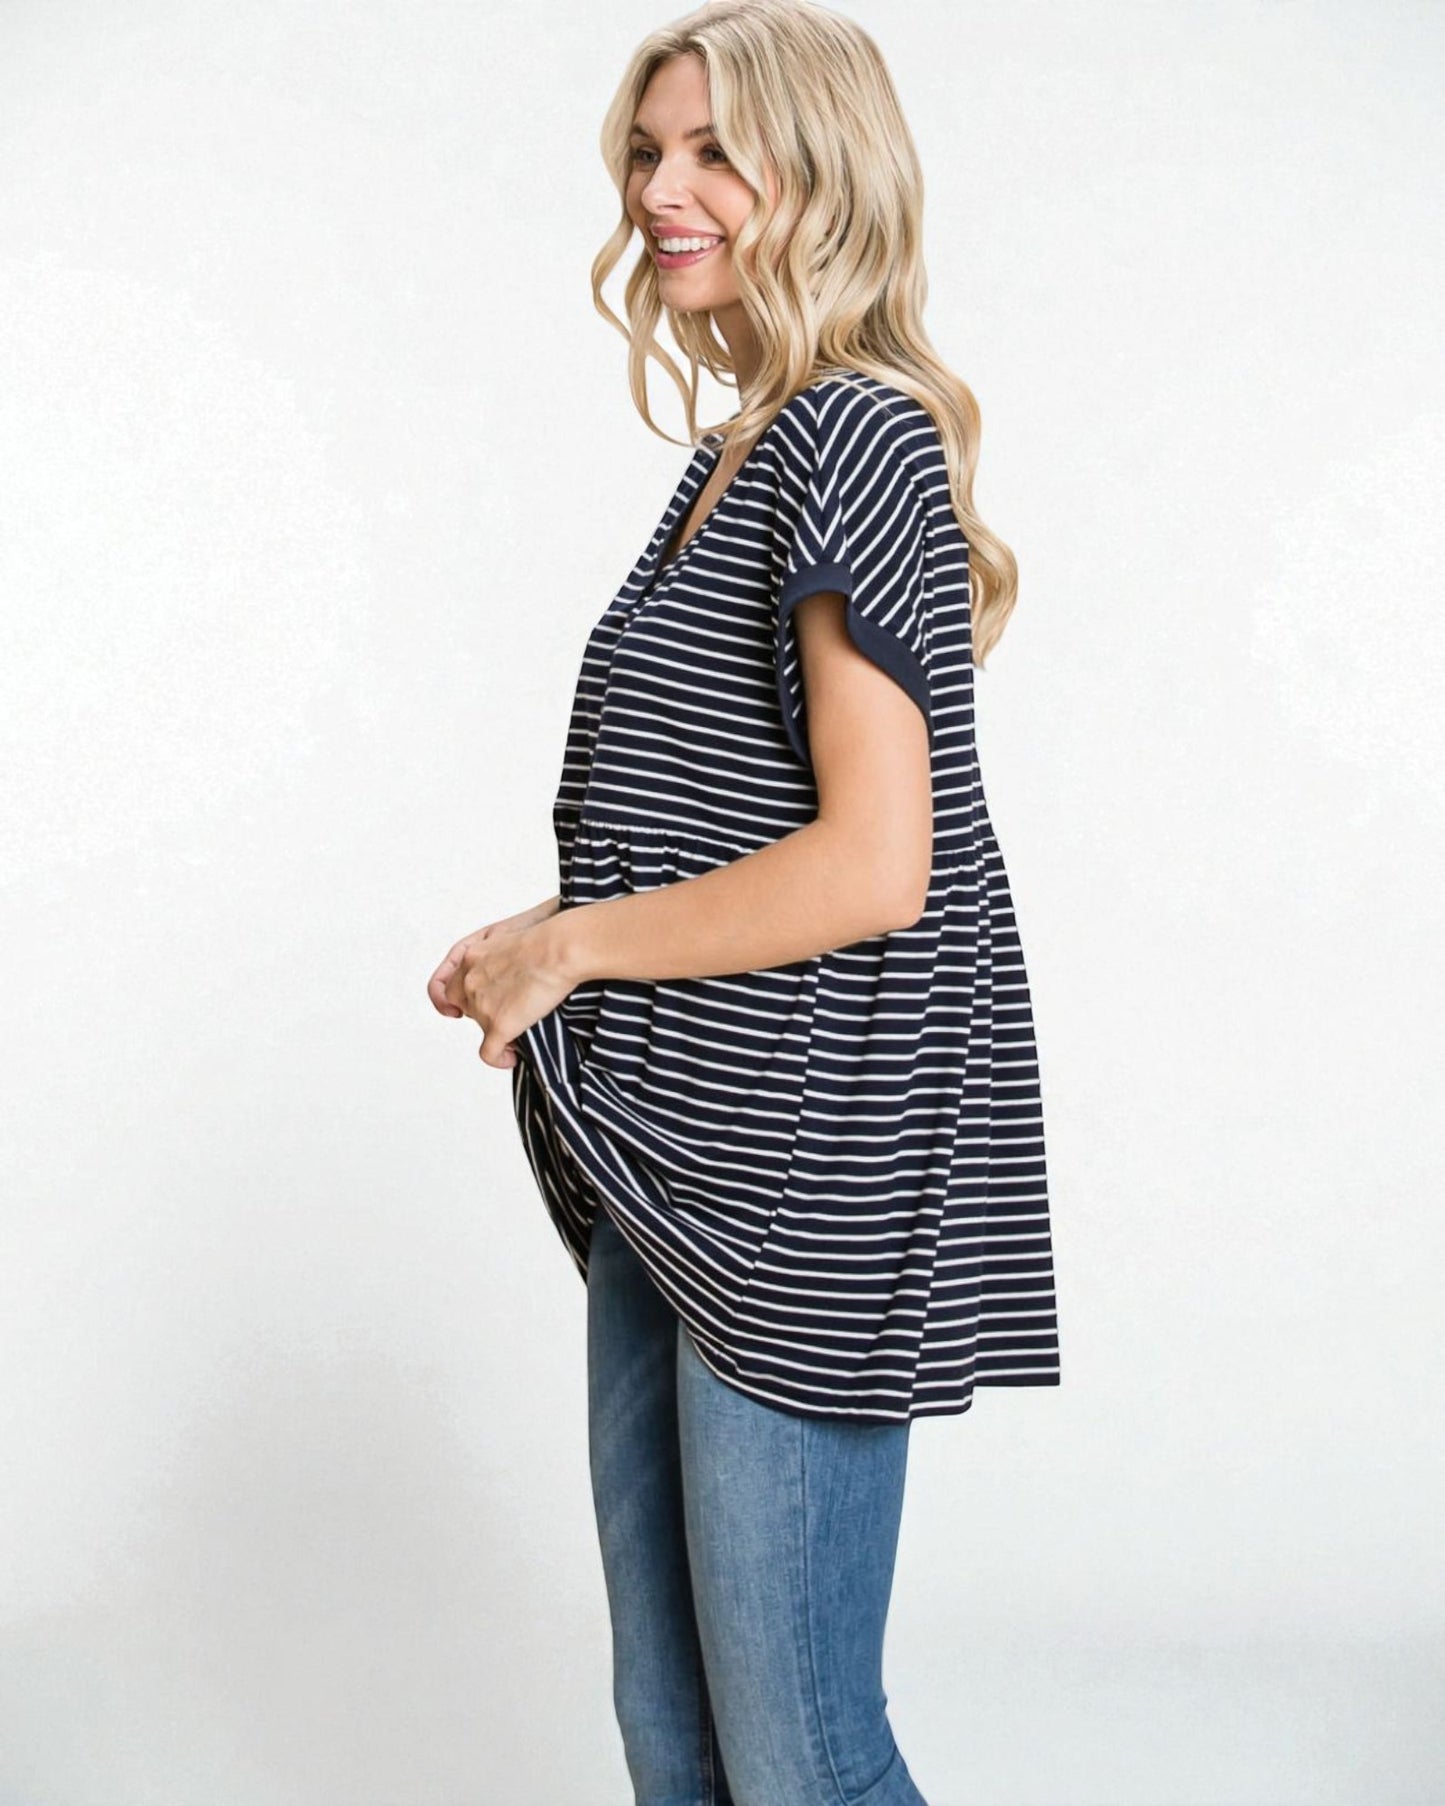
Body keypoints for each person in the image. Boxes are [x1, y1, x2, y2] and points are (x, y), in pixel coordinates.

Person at [428, 2, 1062, 1799]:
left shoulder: (851, 434)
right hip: (673, 1156)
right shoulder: (730, 460)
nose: (663, 190)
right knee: (679, 1735)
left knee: (797, 1750)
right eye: (647, 150)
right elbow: (715, 830)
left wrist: (574, 943)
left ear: (826, 170)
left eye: (712, 147)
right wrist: (536, 942)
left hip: (802, 1177)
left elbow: (878, 864)